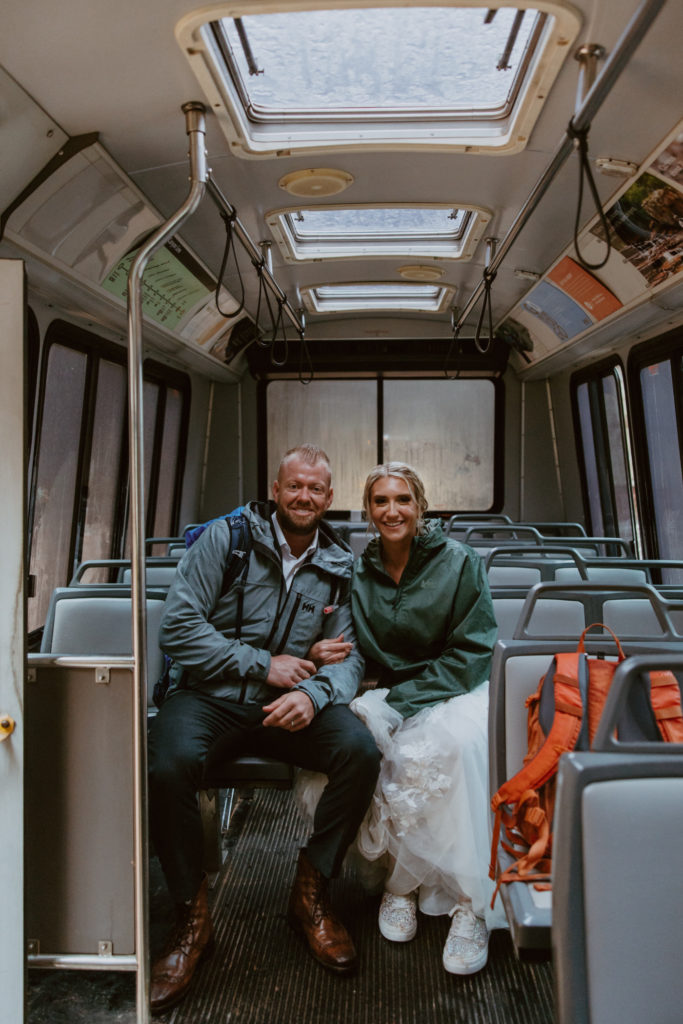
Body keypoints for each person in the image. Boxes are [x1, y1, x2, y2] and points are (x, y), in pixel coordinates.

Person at [148, 444, 381, 1014]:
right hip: (211, 697)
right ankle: (190, 920)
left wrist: (312, 692)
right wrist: (263, 664)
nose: (304, 497)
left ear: (330, 498)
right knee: (167, 766)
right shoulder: (224, 542)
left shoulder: (340, 564)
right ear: (275, 490)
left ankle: (312, 893)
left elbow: (350, 658)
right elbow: (177, 629)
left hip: (288, 705)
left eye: (316, 489)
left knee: (359, 751)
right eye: (294, 486)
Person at [306, 461, 504, 976]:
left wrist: (403, 700)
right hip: (389, 687)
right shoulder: (359, 570)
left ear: (420, 506)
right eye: (380, 501)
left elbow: (472, 651)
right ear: (368, 512)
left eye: (402, 500)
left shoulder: (460, 562)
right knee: (356, 739)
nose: (391, 510)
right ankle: (401, 883)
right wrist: (321, 651)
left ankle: (468, 903)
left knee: (451, 745)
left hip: (455, 686)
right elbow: (353, 642)